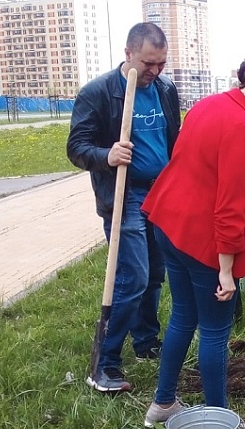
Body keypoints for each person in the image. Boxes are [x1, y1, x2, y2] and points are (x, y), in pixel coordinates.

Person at [140, 59, 245, 429]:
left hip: (169, 224)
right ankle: (219, 420)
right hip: (202, 240)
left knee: (182, 316)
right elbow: (231, 206)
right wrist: (227, 272)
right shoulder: (242, 128)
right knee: (215, 331)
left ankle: (163, 402)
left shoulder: (209, 104)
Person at [67, 22, 181, 393]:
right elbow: (77, 147)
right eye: (149, 63)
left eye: (161, 64)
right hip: (124, 194)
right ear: (128, 54)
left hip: (160, 194)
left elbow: (173, 141)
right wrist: (107, 154)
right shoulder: (98, 93)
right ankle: (105, 364)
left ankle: (146, 343)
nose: (155, 71)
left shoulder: (165, 90)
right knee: (132, 277)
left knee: (154, 276)